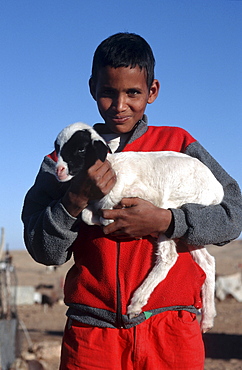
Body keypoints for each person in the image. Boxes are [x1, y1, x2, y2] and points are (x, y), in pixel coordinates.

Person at [22, 33, 242, 369]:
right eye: (108, 92)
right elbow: (44, 250)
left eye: (133, 93)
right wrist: (75, 199)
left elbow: (234, 216)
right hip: (93, 334)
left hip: (172, 330)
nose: (120, 105)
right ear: (93, 86)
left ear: (152, 91)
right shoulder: (62, 163)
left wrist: (168, 221)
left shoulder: (177, 145)